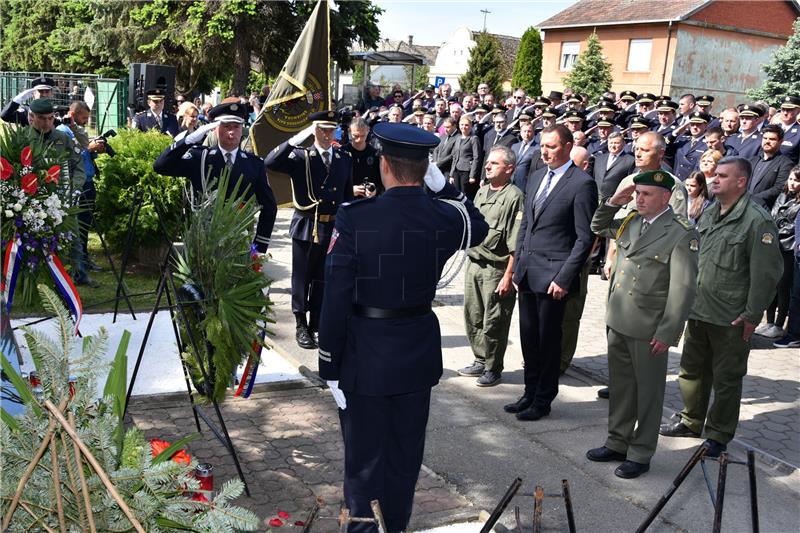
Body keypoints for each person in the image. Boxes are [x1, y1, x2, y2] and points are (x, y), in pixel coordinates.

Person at [317, 123, 488, 533]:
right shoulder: (442, 217)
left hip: (364, 356)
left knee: (363, 466)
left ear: (384, 166)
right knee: (403, 461)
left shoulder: (355, 217)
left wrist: (329, 365)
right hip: (415, 354)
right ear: (425, 166)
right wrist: (443, 186)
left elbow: (335, 296)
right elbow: (478, 226)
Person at [660, 157, 783, 458]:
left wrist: (752, 315)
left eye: (722, 176)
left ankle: (718, 435)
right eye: (713, 174)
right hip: (700, 308)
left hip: (731, 317)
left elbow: (766, 274)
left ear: (741, 182)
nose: (714, 179)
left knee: (727, 379)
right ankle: (691, 420)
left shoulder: (757, 220)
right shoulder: (710, 212)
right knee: (691, 371)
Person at [587, 170, 698, 479]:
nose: (639, 198)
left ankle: (641, 451)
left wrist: (668, 332)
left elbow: (683, 288)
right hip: (620, 320)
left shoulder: (680, 232)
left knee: (648, 394)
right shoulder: (631, 220)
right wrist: (612, 201)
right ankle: (617, 441)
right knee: (622, 388)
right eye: (638, 193)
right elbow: (597, 226)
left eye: (647, 194)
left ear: (665, 198)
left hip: (650, 326)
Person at [506, 125, 597, 421]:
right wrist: (518, 265)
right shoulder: (535, 178)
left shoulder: (581, 183)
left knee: (548, 340)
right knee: (528, 337)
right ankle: (529, 391)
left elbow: (584, 238)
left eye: (552, 146)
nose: (545, 151)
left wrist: (564, 277)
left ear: (568, 146)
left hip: (554, 276)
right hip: (529, 272)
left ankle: (543, 398)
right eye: (542, 146)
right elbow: (525, 226)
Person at [265, 110, 353, 349]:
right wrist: (297, 137)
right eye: (322, 129)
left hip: (332, 225)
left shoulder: (344, 157)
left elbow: (346, 197)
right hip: (308, 224)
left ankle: (317, 323)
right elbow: (271, 162)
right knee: (302, 277)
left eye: (330, 130)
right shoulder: (301, 156)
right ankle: (300, 323)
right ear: (314, 130)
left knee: (324, 278)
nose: (327, 135)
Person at [153, 99, 277, 256]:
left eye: (236, 127)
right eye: (226, 127)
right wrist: (188, 141)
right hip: (201, 242)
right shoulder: (201, 158)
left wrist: (258, 248)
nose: (231, 132)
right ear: (215, 129)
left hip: (237, 244)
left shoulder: (254, 164)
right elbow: (160, 166)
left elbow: (269, 207)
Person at [458, 146, 524, 387]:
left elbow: (516, 243)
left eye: (494, 164)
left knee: (494, 321)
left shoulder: (514, 196)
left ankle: (493, 367)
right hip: (474, 264)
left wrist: (509, 275)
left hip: (496, 269)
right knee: (473, 316)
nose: (487, 166)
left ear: (509, 169)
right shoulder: (482, 192)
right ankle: (480, 358)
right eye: (487, 163)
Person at [57, 100, 107, 288]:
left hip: (86, 181)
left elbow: (85, 152)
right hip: (72, 186)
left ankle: (82, 264)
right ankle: (75, 270)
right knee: (75, 229)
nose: (86, 121)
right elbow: (71, 156)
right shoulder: (63, 131)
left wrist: (95, 150)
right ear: (73, 114)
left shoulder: (78, 130)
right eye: (83, 118)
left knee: (84, 227)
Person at [756, 165, 800, 339]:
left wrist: (777, 230)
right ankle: (770, 322)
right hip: (775, 245)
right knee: (772, 286)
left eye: (797, 180)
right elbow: (774, 216)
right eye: (790, 179)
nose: (792, 183)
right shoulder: (782, 196)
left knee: (783, 287)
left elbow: (792, 226)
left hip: (788, 248)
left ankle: (780, 324)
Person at [748, 124, 793, 210]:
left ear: (781, 142)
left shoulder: (786, 163)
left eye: (772, 139)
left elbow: (779, 188)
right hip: (743, 206)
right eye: (765, 138)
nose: (767, 141)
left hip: (764, 210)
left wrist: (753, 198)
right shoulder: (752, 160)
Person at [343, 118, 382, 198]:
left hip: (368, 202)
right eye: (355, 136)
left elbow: (381, 181)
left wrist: (375, 190)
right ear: (349, 132)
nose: (359, 140)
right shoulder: (341, 153)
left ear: (368, 132)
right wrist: (350, 190)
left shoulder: (374, 154)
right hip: (347, 202)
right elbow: (335, 182)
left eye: (363, 135)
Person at [592, 132, 636, 202]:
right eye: (611, 143)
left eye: (616, 143)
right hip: (595, 199)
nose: (613, 145)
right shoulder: (599, 159)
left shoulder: (630, 160)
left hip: (615, 201)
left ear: (624, 143)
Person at [449, 116, 481, 199]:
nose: (464, 127)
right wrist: (451, 174)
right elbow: (455, 157)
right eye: (462, 124)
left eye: (466, 125)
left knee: (465, 195)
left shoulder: (474, 139)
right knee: (456, 194)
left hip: (466, 171)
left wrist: (472, 175)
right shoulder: (458, 138)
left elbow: (476, 157)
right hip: (456, 170)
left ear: (471, 126)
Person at [777, 95, 800, 164]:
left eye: (789, 110)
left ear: (798, 111)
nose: (785, 113)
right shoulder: (773, 128)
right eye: (783, 109)